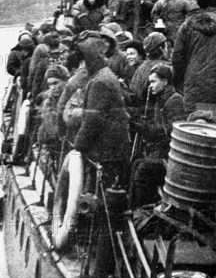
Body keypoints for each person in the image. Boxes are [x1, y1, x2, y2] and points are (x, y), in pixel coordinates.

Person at [72, 30, 131, 189]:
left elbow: (93, 119)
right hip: (112, 148)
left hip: (105, 151)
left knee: (96, 192)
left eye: (83, 61)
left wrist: (77, 147)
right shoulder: (106, 75)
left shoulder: (99, 81)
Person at [131, 64, 186, 208]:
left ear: (165, 82)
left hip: (168, 154)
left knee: (142, 170)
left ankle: (143, 209)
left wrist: (145, 128)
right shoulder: (161, 98)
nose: (150, 86)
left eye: (154, 82)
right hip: (160, 150)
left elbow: (169, 131)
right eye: (150, 82)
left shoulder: (175, 100)